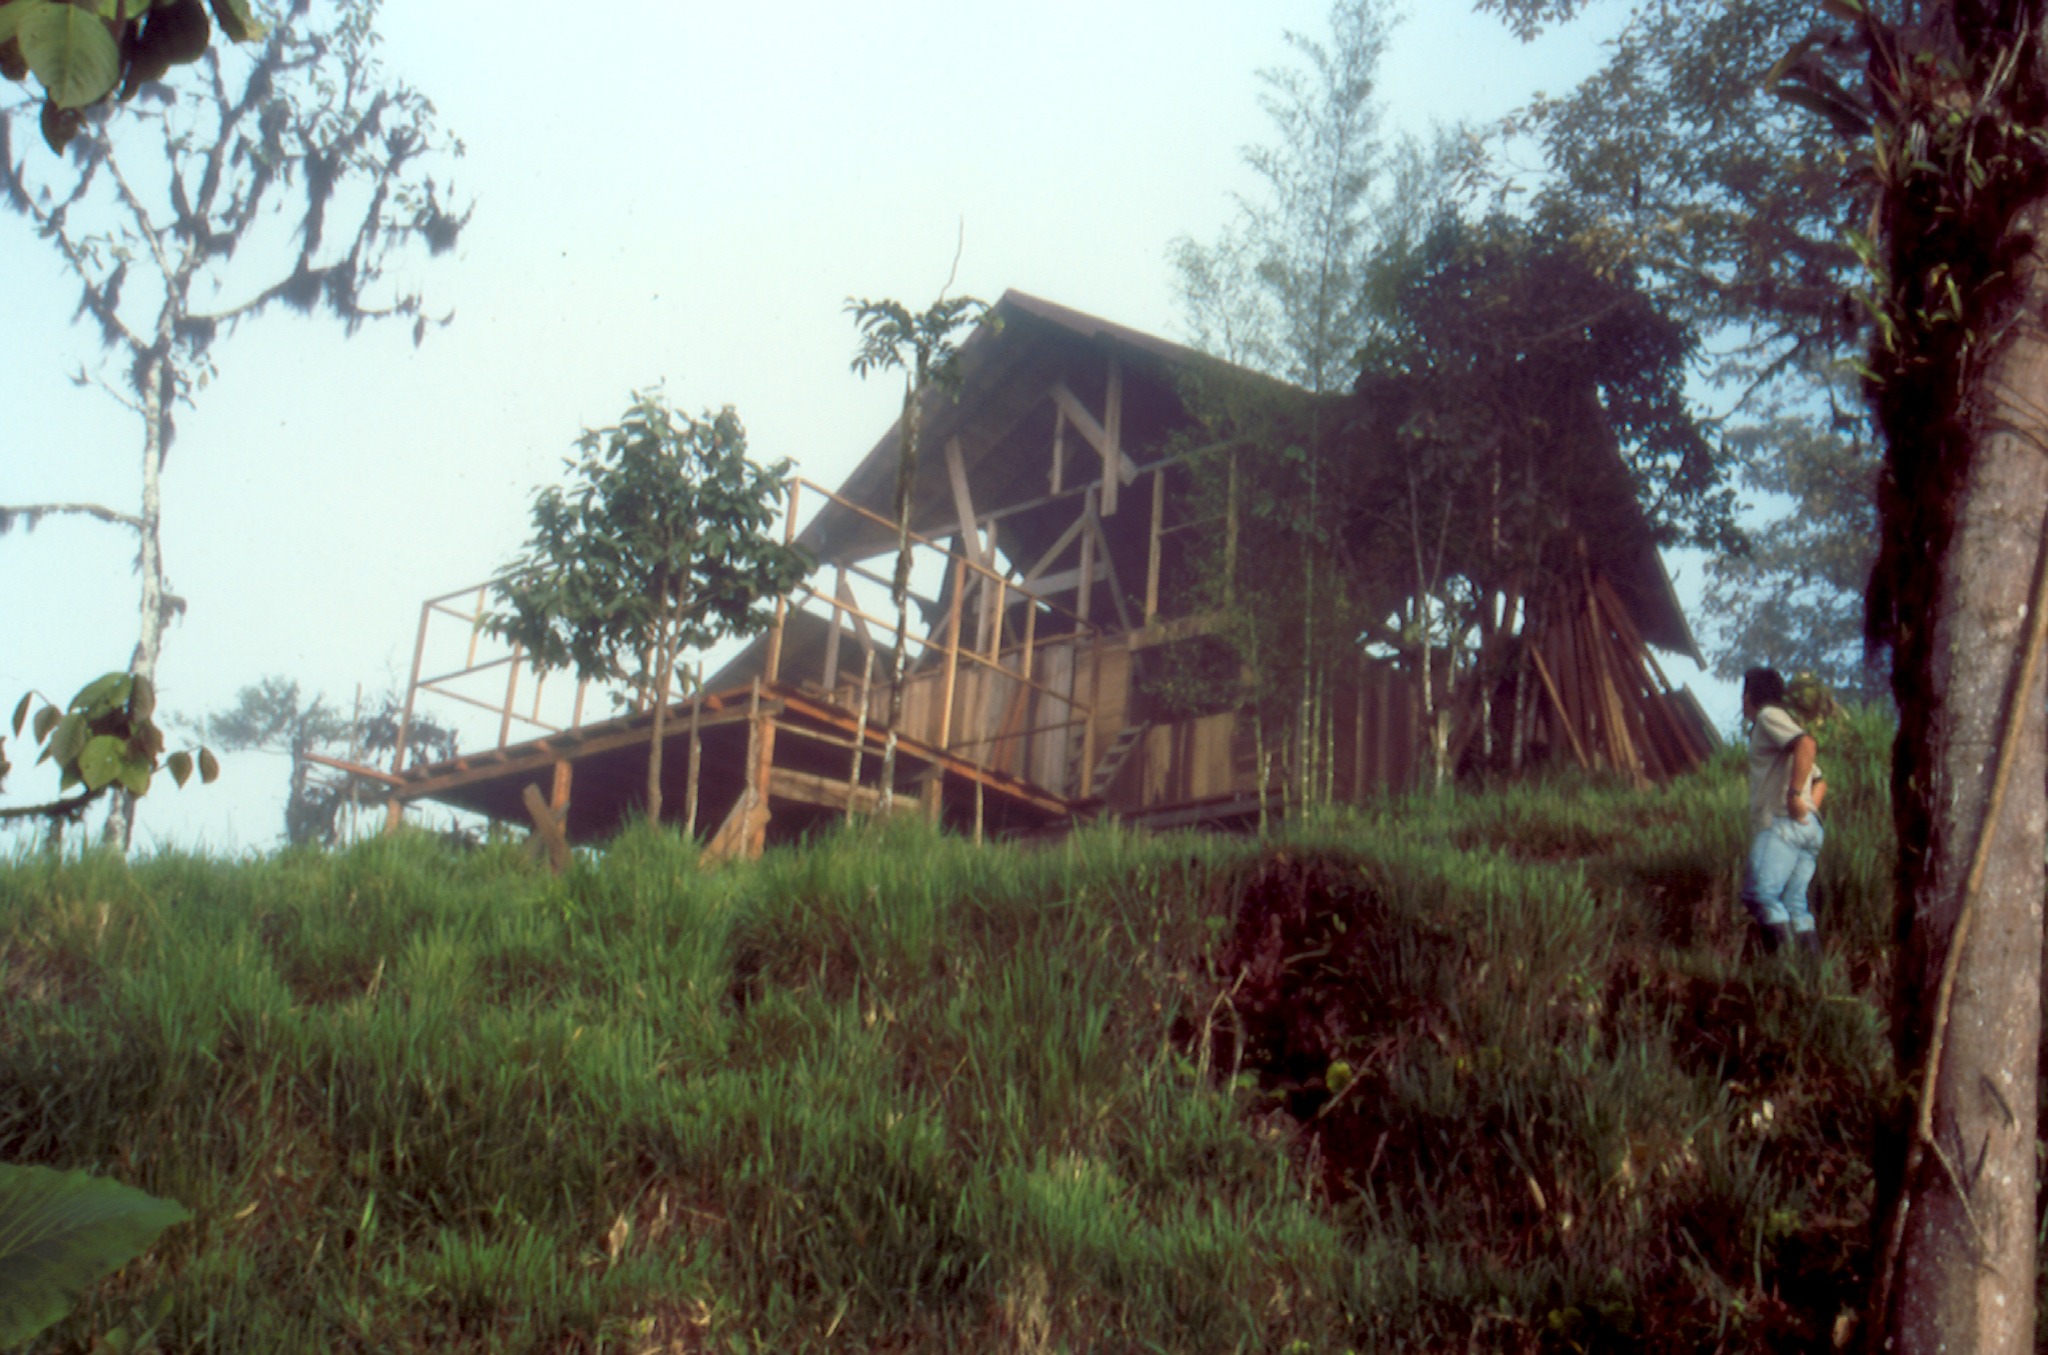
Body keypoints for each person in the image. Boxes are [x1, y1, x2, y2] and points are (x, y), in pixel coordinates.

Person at [1739, 667, 1825, 959]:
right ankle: (1809, 977)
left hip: (1781, 823)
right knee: (1794, 903)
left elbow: (1807, 744)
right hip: (1806, 828)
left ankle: (1783, 973)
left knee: (1760, 896)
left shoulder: (1768, 716)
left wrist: (1793, 798)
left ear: (1749, 695)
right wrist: (1807, 809)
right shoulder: (1781, 724)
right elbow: (1821, 780)